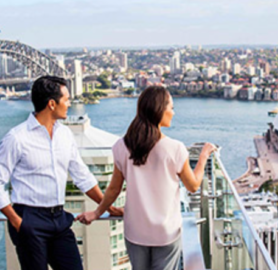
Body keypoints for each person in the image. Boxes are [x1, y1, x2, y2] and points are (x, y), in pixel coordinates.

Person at [0, 76, 122, 270]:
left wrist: (107, 207)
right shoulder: (17, 138)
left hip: (59, 218)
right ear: (51, 104)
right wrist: (17, 222)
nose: (69, 104)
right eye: (66, 99)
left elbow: (82, 175)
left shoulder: (65, 135)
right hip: (29, 219)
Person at [77, 86, 216, 270]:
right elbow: (193, 186)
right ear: (160, 110)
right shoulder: (174, 148)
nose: (174, 112)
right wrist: (204, 155)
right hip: (165, 232)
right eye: (171, 107)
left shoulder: (122, 146)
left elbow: (113, 189)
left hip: (135, 230)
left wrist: (96, 213)